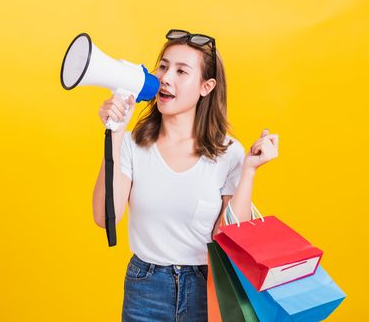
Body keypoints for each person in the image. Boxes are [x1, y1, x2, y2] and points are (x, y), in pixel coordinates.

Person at [91, 29, 279, 322]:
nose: (165, 78)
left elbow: (229, 238)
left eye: (181, 71)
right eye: (164, 66)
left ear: (206, 86)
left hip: (207, 287)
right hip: (146, 287)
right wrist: (114, 132)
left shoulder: (228, 152)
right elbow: (106, 218)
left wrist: (249, 172)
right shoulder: (132, 144)